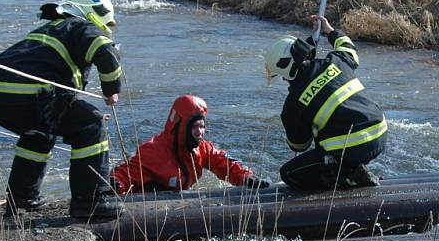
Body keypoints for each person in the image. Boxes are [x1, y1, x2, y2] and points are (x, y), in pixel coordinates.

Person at [0, 0, 123, 219]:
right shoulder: (80, 26)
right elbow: (107, 53)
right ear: (93, 14)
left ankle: (23, 197)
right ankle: (89, 203)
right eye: (105, 25)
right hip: (24, 90)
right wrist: (111, 90)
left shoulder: (51, 28)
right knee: (92, 124)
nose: (106, 30)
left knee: (40, 131)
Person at [264, 15, 387, 190]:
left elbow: (299, 145)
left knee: (289, 174)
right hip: (380, 133)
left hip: (353, 147)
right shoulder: (335, 60)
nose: (283, 80)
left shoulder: (292, 106)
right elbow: (348, 48)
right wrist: (329, 31)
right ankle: (351, 170)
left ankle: (347, 176)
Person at [112, 94, 270, 194]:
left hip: (179, 198)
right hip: (149, 204)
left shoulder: (203, 149)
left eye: (202, 126)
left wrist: (246, 178)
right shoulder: (153, 151)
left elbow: (223, 163)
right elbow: (127, 173)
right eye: (194, 127)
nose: (200, 132)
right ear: (179, 126)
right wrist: (115, 184)